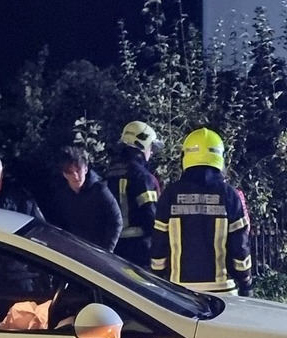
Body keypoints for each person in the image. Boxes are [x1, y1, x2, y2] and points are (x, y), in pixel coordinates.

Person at [152, 129, 254, 295]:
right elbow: (240, 246)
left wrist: (157, 277)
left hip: (179, 292)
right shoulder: (229, 194)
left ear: (185, 157)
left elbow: (159, 244)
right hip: (222, 291)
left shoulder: (170, 194)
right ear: (219, 157)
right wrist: (246, 282)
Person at [106, 121, 162, 267]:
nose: (151, 152)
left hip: (113, 246)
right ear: (142, 145)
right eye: (151, 147)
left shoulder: (110, 170)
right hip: (138, 249)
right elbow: (149, 214)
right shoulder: (141, 176)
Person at [48, 146, 123, 251]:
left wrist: (106, 251)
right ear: (64, 174)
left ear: (86, 169)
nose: (75, 176)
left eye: (78, 170)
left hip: (99, 252)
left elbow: (117, 221)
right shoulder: (62, 194)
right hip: (75, 250)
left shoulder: (100, 190)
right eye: (69, 172)